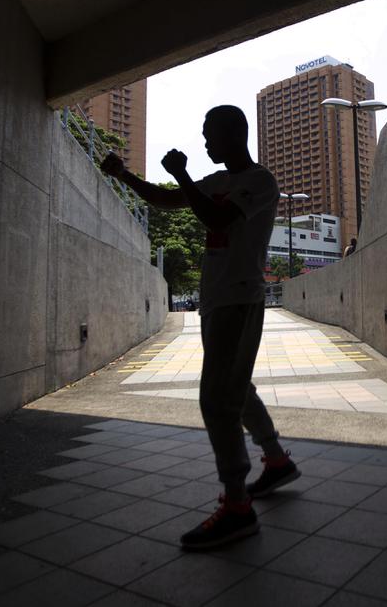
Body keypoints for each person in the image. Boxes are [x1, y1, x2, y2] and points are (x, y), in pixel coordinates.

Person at [100, 105, 301, 550]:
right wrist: (122, 174)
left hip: (239, 298)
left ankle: (236, 505)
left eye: (211, 133)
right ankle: (275, 460)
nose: (205, 141)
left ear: (234, 134)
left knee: (216, 400)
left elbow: (216, 219)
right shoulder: (216, 183)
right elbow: (165, 198)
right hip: (217, 302)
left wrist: (185, 176)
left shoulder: (259, 181)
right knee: (236, 388)